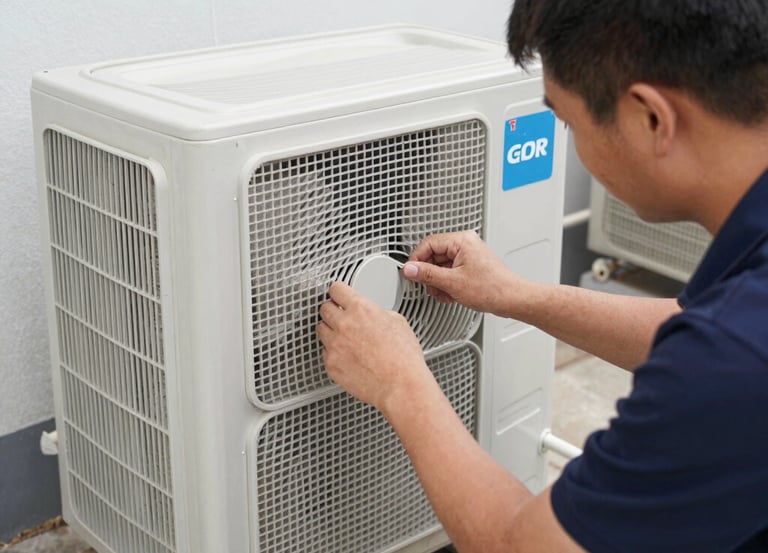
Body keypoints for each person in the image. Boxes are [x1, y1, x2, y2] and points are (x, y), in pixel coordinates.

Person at [316, 1, 768, 551]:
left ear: (650, 118)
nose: (571, 143)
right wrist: (517, 296)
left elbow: (522, 546)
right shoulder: (740, 321)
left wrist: (399, 383)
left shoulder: (732, 355)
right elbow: (691, 327)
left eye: (568, 122)